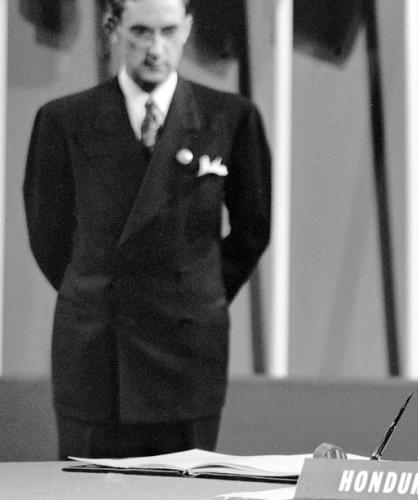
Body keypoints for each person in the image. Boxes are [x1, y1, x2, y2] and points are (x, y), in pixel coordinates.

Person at [24, 0, 271, 459]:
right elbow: (47, 233)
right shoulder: (63, 121)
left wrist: (199, 292)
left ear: (187, 30)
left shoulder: (230, 118)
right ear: (114, 29)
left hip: (187, 356)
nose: (155, 48)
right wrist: (97, 290)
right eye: (140, 32)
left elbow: (253, 228)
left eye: (168, 31)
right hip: (98, 354)